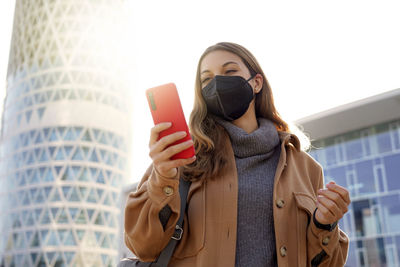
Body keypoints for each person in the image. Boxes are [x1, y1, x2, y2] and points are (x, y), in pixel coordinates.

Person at [124, 42, 350, 266]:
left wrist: (325, 225)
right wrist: (163, 177)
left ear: (257, 83)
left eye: (230, 71)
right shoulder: (180, 160)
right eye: (207, 79)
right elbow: (142, 246)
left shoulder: (306, 168)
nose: (217, 83)